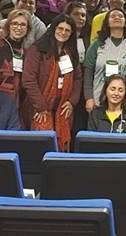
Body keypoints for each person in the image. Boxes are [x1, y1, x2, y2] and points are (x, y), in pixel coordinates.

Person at [23, 14, 82, 150]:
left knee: (62, 145)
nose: (63, 32)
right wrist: (41, 107)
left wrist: (72, 102)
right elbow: (29, 80)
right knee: (41, 146)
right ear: (53, 28)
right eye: (60, 28)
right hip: (39, 108)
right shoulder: (37, 50)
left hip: (62, 110)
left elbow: (78, 78)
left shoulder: (71, 52)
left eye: (67, 30)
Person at [82, 8, 126, 113]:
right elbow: (88, 73)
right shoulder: (97, 44)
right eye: (113, 16)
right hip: (98, 101)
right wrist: (89, 98)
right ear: (107, 23)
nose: (117, 17)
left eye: (120, 16)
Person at [0, 9, 30, 121]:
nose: (18, 27)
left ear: (28, 29)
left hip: (20, 101)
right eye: (15, 23)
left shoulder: (27, 51)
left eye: (23, 24)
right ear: (8, 26)